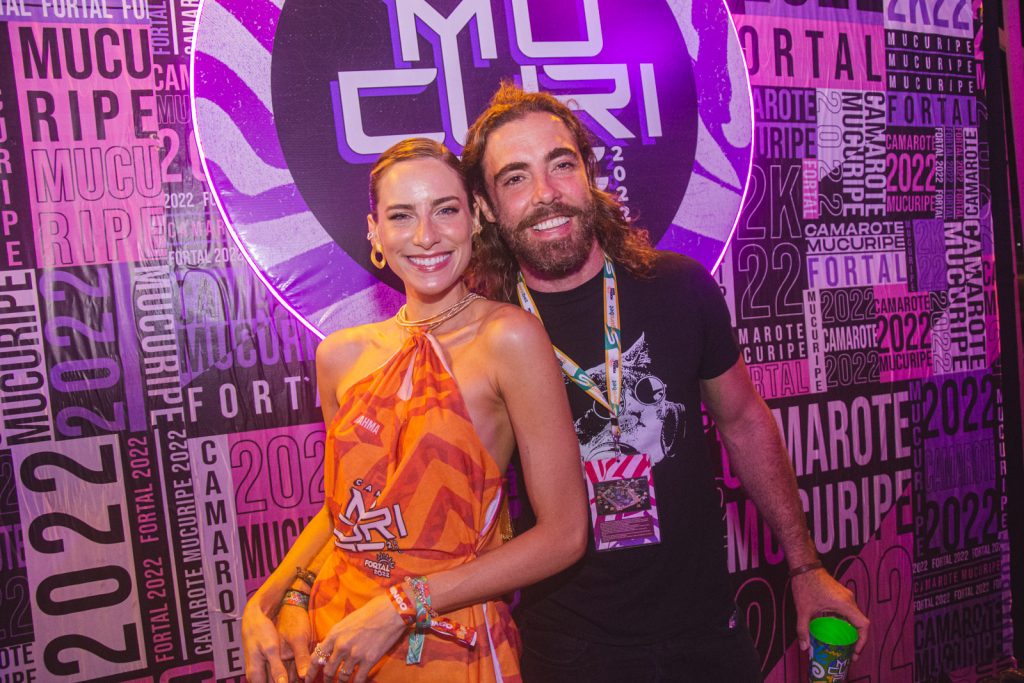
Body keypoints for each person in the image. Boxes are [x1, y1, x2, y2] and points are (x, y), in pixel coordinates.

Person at [455, 83, 871, 681]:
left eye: (561, 165)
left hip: (706, 632)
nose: (546, 193)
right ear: (487, 208)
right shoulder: (487, 334)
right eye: (515, 178)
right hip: (569, 648)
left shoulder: (679, 287)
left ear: (589, 174)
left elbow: (744, 421)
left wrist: (805, 568)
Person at [240, 138, 588, 683]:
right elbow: (346, 511)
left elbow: (564, 535)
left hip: (448, 642)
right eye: (401, 216)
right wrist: (272, 599)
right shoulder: (340, 356)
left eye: (445, 210)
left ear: (475, 218)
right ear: (375, 232)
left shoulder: (507, 338)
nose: (426, 235)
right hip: (340, 637)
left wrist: (402, 605)